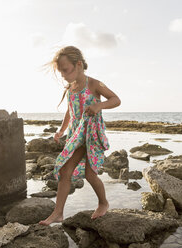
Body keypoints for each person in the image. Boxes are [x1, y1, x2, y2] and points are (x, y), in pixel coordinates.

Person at [39, 46, 121, 225]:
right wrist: (62, 130)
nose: (63, 75)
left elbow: (116, 100)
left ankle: (103, 203)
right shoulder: (71, 88)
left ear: (78, 65)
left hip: (91, 135)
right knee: (65, 170)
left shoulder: (94, 84)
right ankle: (58, 213)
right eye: (60, 72)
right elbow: (70, 112)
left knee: (90, 175)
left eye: (65, 70)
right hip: (76, 135)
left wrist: (99, 106)